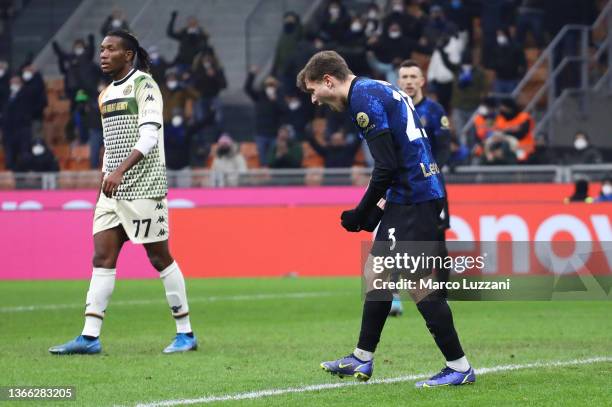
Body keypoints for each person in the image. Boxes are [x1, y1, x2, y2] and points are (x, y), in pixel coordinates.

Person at [297, 50, 474, 387]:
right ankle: (361, 359)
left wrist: (361, 213)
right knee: (376, 272)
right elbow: (398, 161)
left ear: (328, 80)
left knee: (418, 284)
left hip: (415, 197)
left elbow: (387, 167)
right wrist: (376, 210)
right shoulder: (374, 87)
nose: (314, 99)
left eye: (312, 90)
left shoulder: (362, 100)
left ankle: (459, 366)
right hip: (412, 193)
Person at [49, 30, 197, 355]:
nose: (102, 54)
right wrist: (106, 169)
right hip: (111, 190)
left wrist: (119, 171)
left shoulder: (145, 85)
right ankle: (89, 336)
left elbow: (149, 136)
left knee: (159, 257)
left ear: (127, 55)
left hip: (143, 186)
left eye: (110, 49)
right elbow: (112, 140)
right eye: (101, 49)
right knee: (102, 257)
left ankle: (185, 332)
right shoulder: (104, 95)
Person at [396, 59, 452, 315]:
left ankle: (441, 295)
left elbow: (443, 149)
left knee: (437, 241)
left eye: (412, 76)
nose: (408, 81)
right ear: (399, 82)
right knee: (396, 238)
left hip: (431, 187)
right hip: (402, 187)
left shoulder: (434, 110)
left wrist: (428, 174)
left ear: (422, 81)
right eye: (404, 76)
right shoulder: (394, 110)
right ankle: (393, 295)